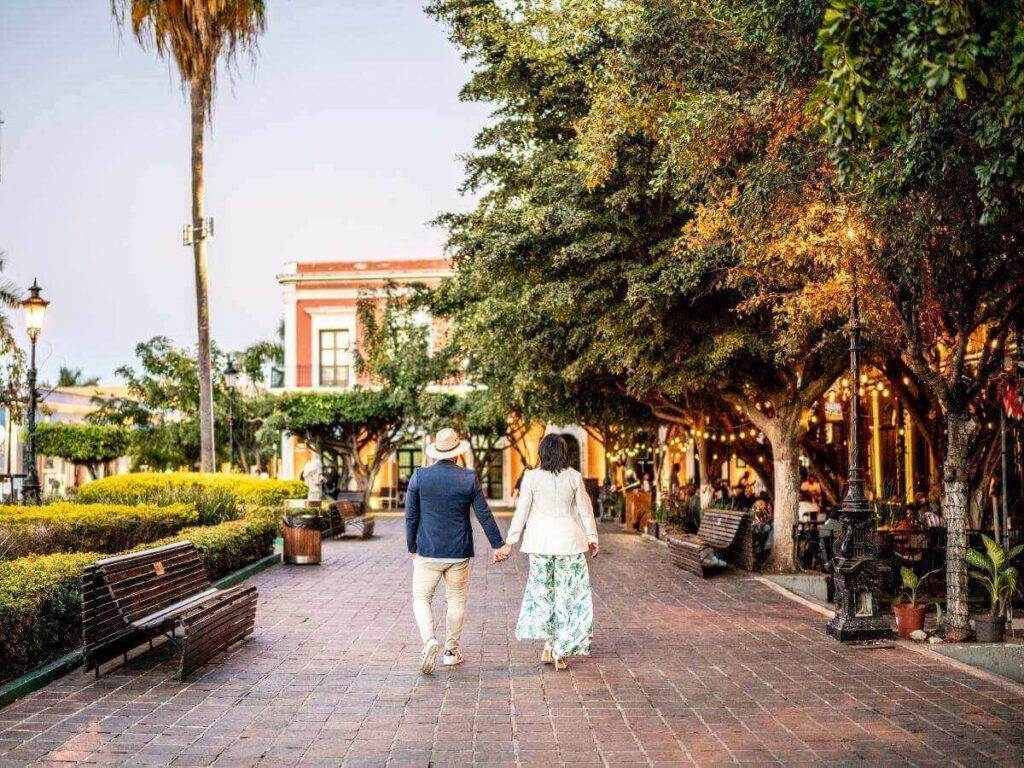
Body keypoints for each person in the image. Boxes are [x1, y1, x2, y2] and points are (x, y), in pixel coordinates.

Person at [405, 427, 510, 674]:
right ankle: (451, 652)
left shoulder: (419, 476)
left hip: (427, 550)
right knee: (456, 600)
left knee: (421, 598)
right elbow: (483, 513)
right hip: (459, 551)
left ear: (435, 453)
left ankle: (429, 639)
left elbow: (411, 516)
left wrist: (411, 546)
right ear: (457, 453)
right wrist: (498, 544)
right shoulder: (468, 478)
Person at [505, 434, 599, 670]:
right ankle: (559, 649)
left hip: (540, 544)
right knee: (568, 596)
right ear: (563, 453)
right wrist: (592, 537)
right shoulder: (574, 477)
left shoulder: (532, 478)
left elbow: (522, 511)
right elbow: (585, 511)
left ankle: (550, 644)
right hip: (569, 543)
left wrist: (510, 540)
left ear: (542, 453)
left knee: (544, 593)